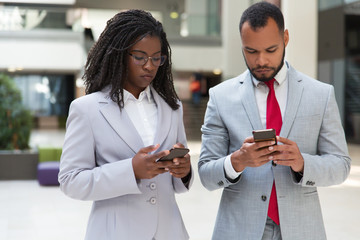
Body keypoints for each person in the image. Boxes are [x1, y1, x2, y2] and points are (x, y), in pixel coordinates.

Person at [198, 2, 351, 240]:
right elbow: (207, 174)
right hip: (239, 229)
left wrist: (302, 163)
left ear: (286, 38)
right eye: (251, 51)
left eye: (271, 50)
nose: (261, 61)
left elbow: (341, 166)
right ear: (241, 43)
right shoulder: (221, 97)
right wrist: (237, 161)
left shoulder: (320, 94)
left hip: (301, 230)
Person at [58, 9, 193, 240]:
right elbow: (71, 180)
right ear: (119, 55)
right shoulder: (87, 109)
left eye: (156, 58)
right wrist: (131, 170)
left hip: (170, 232)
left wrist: (184, 171)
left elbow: (176, 183)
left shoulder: (172, 107)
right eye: (140, 57)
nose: (149, 66)